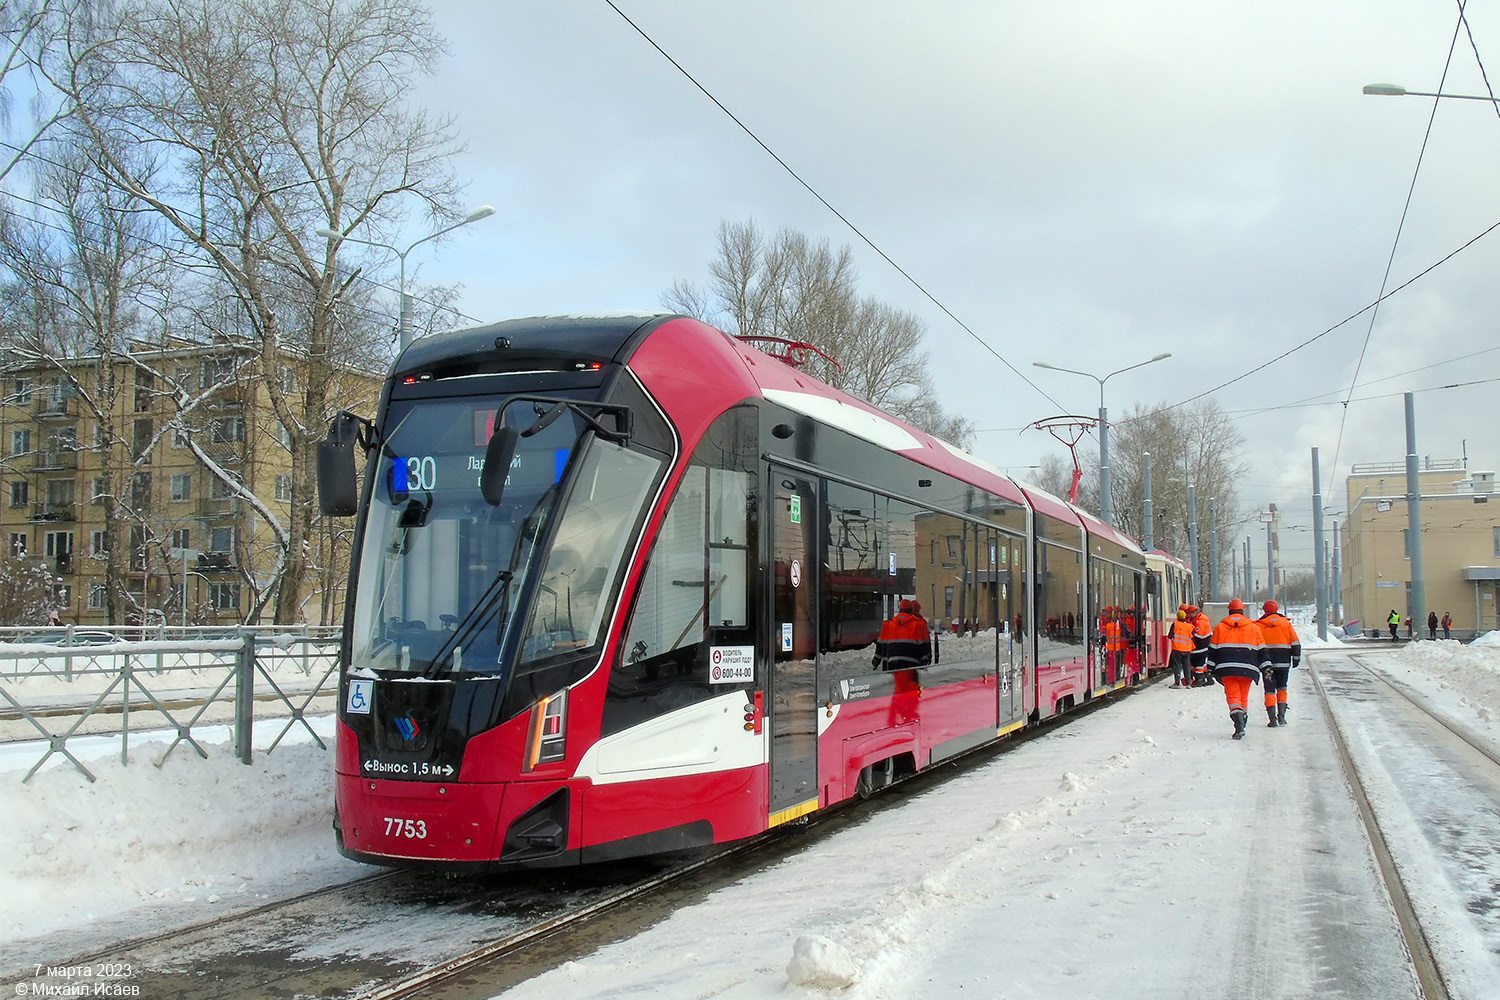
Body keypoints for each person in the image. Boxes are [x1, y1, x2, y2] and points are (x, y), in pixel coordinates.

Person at [1206, 598, 1268, 740]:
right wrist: (1266, 666)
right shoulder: (1253, 627)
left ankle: (1238, 722)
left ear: (1229, 610)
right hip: (1248, 668)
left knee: (1233, 697)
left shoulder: (1221, 627)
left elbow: (1213, 651)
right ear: (1242, 610)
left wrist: (1209, 668)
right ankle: (1243, 717)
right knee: (1243, 696)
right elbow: (1262, 650)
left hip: (1226, 668)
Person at [1256, 600, 1301, 727]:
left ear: (1264, 610)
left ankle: (1272, 719)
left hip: (1267, 665)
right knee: (1282, 687)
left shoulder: (1259, 625)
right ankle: (1282, 716)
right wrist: (1296, 658)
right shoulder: (1285, 624)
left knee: (1269, 689)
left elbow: (1256, 644)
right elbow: (1295, 642)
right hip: (1283, 663)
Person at [872, 599, 932, 671]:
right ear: (911, 610)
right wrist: (925, 660)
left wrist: (876, 660)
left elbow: (880, 645)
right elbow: (923, 645)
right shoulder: (918, 624)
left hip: (891, 664)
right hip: (912, 664)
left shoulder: (889, 624)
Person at [1168, 609, 1195, 688]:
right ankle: (1188, 683)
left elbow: (1170, 636)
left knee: (1177, 666)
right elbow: (1194, 637)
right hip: (1187, 650)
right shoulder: (1190, 626)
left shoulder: (1175, 624)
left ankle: (1177, 683)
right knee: (1186, 666)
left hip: (1177, 649)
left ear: (1177, 617)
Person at [1187, 604, 1212, 686]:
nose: (1189, 615)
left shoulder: (1200, 621)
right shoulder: (1200, 619)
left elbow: (1199, 635)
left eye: (1190, 613)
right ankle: (1208, 678)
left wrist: (1191, 636)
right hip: (1203, 646)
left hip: (1200, 646)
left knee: (1198, 664)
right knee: (1202, 664)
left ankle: (1199, 679)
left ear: (1194, 613)